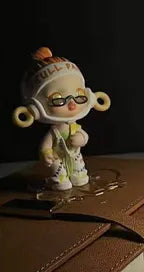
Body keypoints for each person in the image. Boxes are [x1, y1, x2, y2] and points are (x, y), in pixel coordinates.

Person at [12, 47, 111, 190]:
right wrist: (46, 153)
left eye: (78, 94)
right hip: (57, 157)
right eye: (57, 98)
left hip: (75, 155)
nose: (72, 103)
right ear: (37, 107)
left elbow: (84, 136)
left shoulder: (74, 127)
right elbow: (46, 146)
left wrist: (81, 139)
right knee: (59, 173)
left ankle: (78, 177)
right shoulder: (54, 132)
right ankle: (59, 182)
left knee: (79, 173)